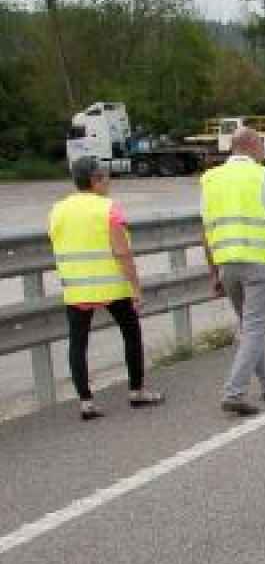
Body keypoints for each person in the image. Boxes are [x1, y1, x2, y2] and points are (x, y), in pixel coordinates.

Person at [49, 157, 163, 420]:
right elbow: (122, 253)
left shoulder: (57, 209)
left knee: (78, 344)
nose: (108, 181)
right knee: (131, 333)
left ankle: (86, 403)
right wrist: (136, 287)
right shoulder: (108, 208)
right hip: (112, 286)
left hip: (76, 289)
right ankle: (137, 391)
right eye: (104, 177)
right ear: (94, 180)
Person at [201, 128, 265, 416]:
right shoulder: (263, 176)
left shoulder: (210, 179)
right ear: (252, 147)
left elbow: (205, 232)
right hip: (257, 262)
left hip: (227, 265)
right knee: (254, 328)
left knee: (249, 325)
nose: (264, 152)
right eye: (262, 146)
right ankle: (234, 391)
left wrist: (213, 272)